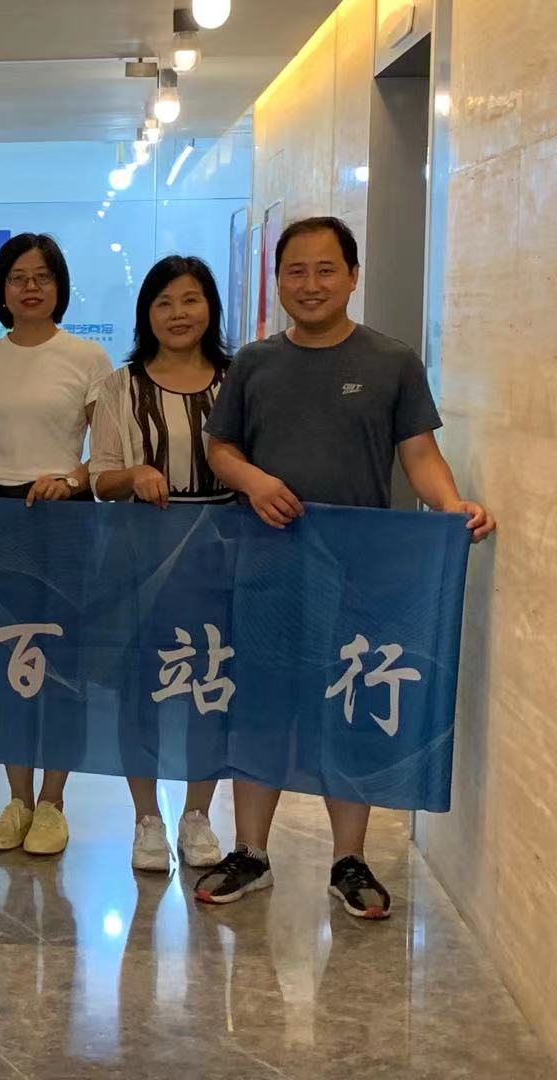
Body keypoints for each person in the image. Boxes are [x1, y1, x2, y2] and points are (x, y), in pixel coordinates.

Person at [199, 216, 495, 919]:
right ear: (278, 281)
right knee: (261, 709)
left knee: (349, 706)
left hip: (360, 573)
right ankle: (251, 853)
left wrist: (451, 506)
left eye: (326, 269)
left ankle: (350, 860)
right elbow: (221, 449)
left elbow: (419, 454)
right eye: (295, 271)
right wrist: (254, 482)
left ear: (353, 276)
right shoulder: (254, 364)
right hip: (267, 565)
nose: (311, 284)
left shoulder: (391, 361)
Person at [0, 232, 111, 857]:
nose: (30, 287)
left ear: (59, 286)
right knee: (5, 661)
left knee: (63, 662)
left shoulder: (88, 357)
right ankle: (17, 799)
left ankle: (53, 802)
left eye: (42, 276)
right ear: (0, 289)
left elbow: (107, 453)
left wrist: (72, 480)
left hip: (64, 516)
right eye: (17, 277)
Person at [89, 254, 233, 873]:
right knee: (139, 690)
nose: (178, 314)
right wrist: (134, 475)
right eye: (164, 302)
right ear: (146, 314)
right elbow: (99, 479)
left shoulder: (238, 380)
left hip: (219, 559)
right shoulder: (120, 386)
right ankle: (147, 818)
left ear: (210, 309)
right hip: (138, 559)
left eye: (191, 299)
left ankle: (198, 814)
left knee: (211, 685)